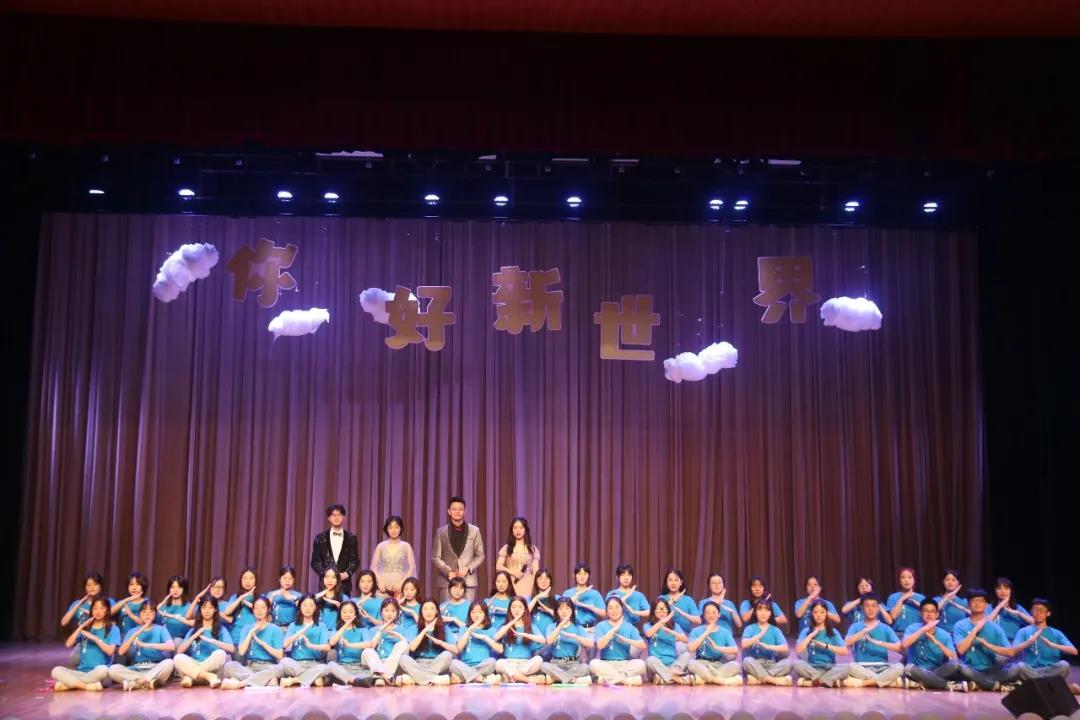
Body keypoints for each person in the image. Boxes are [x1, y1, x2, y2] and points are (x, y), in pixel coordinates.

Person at [953, 587, 1021, 691]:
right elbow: (961, 650)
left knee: (1017, 667)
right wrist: (975, 629)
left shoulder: (995, 627)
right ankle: (994, 685)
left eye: (981, 601)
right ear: (968, 604)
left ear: (986, 605)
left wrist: (988, 645)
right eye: (974, 600)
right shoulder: (960, 625)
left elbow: (1010, 652)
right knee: (959, 667)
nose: (977, 603)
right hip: (970, 669)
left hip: (991, 669)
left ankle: (981, 684)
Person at [51, 596, 119, 691]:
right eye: (95, 608)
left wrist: (95, 638)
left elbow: (110, 651)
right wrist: (80, 627)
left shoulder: (113, 629)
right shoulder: (86, 628)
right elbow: (68, 644)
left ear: (107, 610)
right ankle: (86, 686)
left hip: (100, 673)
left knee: (103, 670)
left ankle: (70, 684)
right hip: (83, 672)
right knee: (56, 670)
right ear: (91, 610)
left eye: (101, 608)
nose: (98, 611)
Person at [220, 596, 287, 689]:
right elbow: (241, 652)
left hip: (269, 666)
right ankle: (265, 681)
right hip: (250, 667)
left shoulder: (275, 629)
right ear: (253, 610)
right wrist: (251, 633)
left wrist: (264, 644)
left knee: (281, 668)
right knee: (229, 666)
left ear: (268, 609)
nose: (259, 610)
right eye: (256, 608)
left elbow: (280, 655)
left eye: (263, 607)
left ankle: (241, 684)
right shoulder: (246, 629)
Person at [108, 601, 175, 690]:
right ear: (139, 614)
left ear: (155, 614)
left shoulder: (161, 629)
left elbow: (171, 647)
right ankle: (146, 681)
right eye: (144, 612)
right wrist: (137, 633)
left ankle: (137, 683)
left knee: (169, 663)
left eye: (151, 612)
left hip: (155, 668)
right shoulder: (132, 631)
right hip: (136, 669)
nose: (147, 614)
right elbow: (121, 652)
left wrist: (146, 645)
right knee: (112, 669)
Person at [901, 598, 965, 691]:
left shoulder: (944, 634)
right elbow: (904, 644)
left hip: (937, 671)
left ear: (937, 614)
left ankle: (922, 683)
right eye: (926, 611)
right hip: (917, 670)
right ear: (920, 613)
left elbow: (954, 657)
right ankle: (948, 685)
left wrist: (937, 643)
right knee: (908, 668)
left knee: (956, 664)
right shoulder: (912, 628)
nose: (929, 614)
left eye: (932, 611)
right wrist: (923, 629)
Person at [842, 592, 905, 688]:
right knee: (850, 666)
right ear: (862, 608)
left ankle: (864, 683)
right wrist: (863, 632)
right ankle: (887, 681)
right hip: (861, 668)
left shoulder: (886, 628)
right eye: (867, 606)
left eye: (874, 606)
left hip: (883, 668)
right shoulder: (855, 626)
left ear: (878, 608)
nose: (870, 609)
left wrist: (879, 643)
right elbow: (846, 643)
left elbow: (899, 647)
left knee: (900, 667)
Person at [432, 496, 486, 601]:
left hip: (468, 581)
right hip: (447, 581)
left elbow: (480, 555)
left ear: (465, 511)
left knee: (468, 610)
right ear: (449, 511)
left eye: (460, 509)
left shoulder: (474, 531)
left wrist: (467, 568)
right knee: (447, 610)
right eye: (454, 509)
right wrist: (449, 572)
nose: (457, 512)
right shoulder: (441, 532)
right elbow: (435, 557)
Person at [174, 596, 235, 688]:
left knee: (220, 653)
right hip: (195, 664)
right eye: (204, 607)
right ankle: (208, 677)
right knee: (178, 658)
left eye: (210, 608)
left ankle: (191, 678)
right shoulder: (194, 630)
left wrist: (213, 641)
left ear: (215, 610)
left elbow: (231, 649)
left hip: (210, 668)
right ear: (200, 610)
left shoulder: (221, 629)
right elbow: (180, 651)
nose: (207, 611)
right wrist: (194, 636)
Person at [1012, 597, 1077, 680]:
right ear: (1031, 611)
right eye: (1035, 609)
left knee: (1064, 665)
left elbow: (1074, 651)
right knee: (1020, 666)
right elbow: (1013, 650)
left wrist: (1053, 645)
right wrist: (1029, 642)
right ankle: (1047, 683)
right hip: (1031, 670)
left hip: (1050, 670)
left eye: (1042, 610)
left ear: (1048, 613)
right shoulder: (1023, 631)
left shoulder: (1056, 633)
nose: (1038, 613)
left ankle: (1039, 682)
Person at [589, 595, 647, 686]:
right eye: (610, 608)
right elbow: (600, 646)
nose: (614, 610)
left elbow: (643, 645)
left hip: (624, 664)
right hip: (606, 663)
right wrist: (613, 630)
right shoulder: (601, 625)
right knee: (593, 663)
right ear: (606, 611)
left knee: (641, 664)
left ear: (622, 609)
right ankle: (625, 681)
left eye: (617, 607)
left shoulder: (629, 626)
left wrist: (627, 640)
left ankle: (608, 679)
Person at [279, 593, 332, 688]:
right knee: (284, 661)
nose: (308, 608)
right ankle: (312, 679)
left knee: (326, 667)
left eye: (311, 605)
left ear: (315, 608)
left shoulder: (321, 626)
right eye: (304, 605)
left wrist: (311, 645)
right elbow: (284, 645)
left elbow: (327, 647)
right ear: (300, 607)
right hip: (296, 664)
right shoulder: (293, 625)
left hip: (314, 663)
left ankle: (294, 680)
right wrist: (301, 631)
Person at [399, 598, 457, 685]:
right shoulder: (414, 628)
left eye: (432, 609)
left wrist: (441, 643)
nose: (428, 612)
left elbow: (455, 650)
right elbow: (412, 648)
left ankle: (417, 679)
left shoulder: (444, 628)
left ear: (436, 611)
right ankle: (434, 679)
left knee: (447, 655)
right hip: (418, 663)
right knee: (403, 658)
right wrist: (424, 630)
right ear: (421, 612)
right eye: (425, 609)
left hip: (437, 663)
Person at [793, 599, 850, 687]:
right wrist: (810, 635)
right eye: (815, 612)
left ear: (826, 613)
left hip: (830, 668)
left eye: (822, 612)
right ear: (812, 614)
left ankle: (815, 682)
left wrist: (825, 646)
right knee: (797, 664)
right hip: (813, 668)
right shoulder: (806, 631)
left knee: (846, 668)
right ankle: (827, 681)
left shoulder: (833, 631)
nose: (819, 615)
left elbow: (844, 651)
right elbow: (798, 650)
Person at [686, 600, 742, 685]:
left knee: (736, 665)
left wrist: (717, 647)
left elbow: (735, 650)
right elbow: (691, 648)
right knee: (691, 664)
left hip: (719, 664)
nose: (711, 615)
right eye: (708, 613)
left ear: (719, 614)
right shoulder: (696, 631)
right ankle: (719, 680)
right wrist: (706, 632)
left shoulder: (725, 631)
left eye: (714, 612)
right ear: (704, 615)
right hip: (702, 663)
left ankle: (705, 678)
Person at [541, 597, 594, 685]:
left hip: (574, 664)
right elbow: (549, 641)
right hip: (556, 664)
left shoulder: (577, 626)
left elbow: (590, 644)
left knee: (586, 668)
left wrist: (576, 637)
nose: (564, 611)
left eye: (567, 608)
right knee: (544, 666)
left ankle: (557, 678)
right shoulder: (551, 627)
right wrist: (561, 624)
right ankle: (573, 680)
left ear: (572, 611)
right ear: (556, 611)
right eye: (561, 609)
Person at [359, 598, 413, 685]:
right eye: (386, 610)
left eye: (393, 611)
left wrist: (400, 637)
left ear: (397, 613)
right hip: (376, 663)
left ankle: (381, 676)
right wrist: (380, 630)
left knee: (403, 643)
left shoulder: (403, 630)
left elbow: (410, 648)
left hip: (395, 665)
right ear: (381, 612)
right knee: (367, 651)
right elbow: (371, 647)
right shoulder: (372, 630)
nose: (389, 614)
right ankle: (388, 676)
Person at [323, 600, 376, 687]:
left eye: (351, 612)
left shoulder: (362, 629)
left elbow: (368, 644)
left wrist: (350, 645)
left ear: (355, 613)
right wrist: (345, 625)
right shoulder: (336, 630)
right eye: (344, 612)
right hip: (342, 667)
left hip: (359, 667)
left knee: (367, 674)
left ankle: (349, 680)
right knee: (331, 665)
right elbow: (331, 643)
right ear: (340, 614)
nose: (347, 614)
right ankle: (354, 680)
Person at [310, 503, 361, 595]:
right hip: (325, 584)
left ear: (344, 517)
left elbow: (355, 561)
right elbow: (315, 562)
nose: (336, 518)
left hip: (344, 584)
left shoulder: (351, 538)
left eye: (339, 515)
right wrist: (325, 574)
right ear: (329, 518)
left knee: (345, 604)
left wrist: (347, 574)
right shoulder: (320, 538)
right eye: (333, 515)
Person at [493, 596, 546, 683]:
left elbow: (543, 640)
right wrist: (513, 621)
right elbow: (496, 637)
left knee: (539, 660)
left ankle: (511, 677)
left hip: (526, 663)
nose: (516, 610)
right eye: (513, 607)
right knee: (499, 663)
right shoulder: (505, 626)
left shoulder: (531, 626)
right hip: (509, 662)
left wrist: (524, 634)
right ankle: (527, 679)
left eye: (520, 607)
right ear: (510, 609)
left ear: (525, 609)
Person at [450, 600, 504, 684]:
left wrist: (485, 638)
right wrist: (469, 630)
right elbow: (459, 648)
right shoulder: (463, 629)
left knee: (492, 661)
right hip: (465, 665)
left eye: (480, 612)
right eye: (473, 612)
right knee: (453, 663)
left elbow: (500, 650)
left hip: (483, 666)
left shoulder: (491, 630)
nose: (476, 615)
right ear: (469, 614)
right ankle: (482, 679)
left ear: (485, 614)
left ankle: (465, 678)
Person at [741, 599, 793, 686]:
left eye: (766, 610)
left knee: (788, 663)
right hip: (755, 663)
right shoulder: (750, 628)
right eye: (760, 610)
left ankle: (759, 679)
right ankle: (773, 680)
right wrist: (759, 635)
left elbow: (785, 647)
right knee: (746, 661)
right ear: (755, 612)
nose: (763, 613)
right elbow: (744, 644)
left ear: (770, 613)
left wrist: (768, 646)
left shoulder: (775, 629)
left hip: (771, 664)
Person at [644, 597, 691, 685]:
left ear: (668, 611)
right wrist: (662, 622)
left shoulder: (674, 625)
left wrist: (672, 632)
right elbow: (649, 634)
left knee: (687, 655)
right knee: (650, 660)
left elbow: (686, 639)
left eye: (664, 609)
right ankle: (675, 678)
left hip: (673, 665)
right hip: (656, 666)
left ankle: (664, 678)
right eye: (659, 609)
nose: (662, 612)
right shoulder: (648, 625)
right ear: (653, 611)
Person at [371, 515, 417, 598]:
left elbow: (412, 568)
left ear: (401, 528)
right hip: (383, 587)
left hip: (400, 587)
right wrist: (379, 582)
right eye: (390, 528)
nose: (393, 530)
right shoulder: (381, 546)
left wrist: (402, 583)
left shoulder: (406, 546)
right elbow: (373, 567)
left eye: (396, 527)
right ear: (386, 529)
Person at [495, 517, 541, 598]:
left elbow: (536, 571)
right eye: (515, 528)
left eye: (521, 528)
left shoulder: (532, 549)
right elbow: (498, 566)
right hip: (511, 582)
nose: (518, 531)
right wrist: (513, 573)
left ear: (525, 529)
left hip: (528, 584)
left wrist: (536, 587)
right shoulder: (507, 548)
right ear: (512, 530)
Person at [561, 562, 606, 633]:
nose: (582, 577)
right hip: (571, 629)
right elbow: (561, 610)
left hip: (589, 629)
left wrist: (591, 607)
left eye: (585, 574)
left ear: (589, 576)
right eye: (579, 574)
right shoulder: (567, 593)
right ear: (574, 575)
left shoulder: (595, 594)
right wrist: (579, 593)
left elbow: (604, 614)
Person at [987, 577, 1033, 642]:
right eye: (999, 588)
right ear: (995, 590)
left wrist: (1019, 613)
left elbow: (1034, 622)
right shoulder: (990, 607)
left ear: (1011, 591)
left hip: (1012, 643)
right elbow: (986, 623)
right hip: (994, 642)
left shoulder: (1017, 608)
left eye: (1006, 588)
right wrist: (1000, 606)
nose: (1003, 591)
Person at [886, 567, 925, 635]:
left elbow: (927, 617)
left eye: (909, 577)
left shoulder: (921, 598)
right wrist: (902, 599)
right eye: (903, 577)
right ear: (899, 580)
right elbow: (893, 617)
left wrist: (920, 605)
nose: (906, 580)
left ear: (914, 580)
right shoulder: (893, 597)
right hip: (899, 634)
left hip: (917, 633)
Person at [157, 575, 193, 647]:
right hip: (164, 641)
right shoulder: (163, 607)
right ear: (169, 589)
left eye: (179, 587)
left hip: (181, 642)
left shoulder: (190, 607)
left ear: (184, 589)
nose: (175, 590)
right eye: (173, 587)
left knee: (177, 642)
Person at [934, 569, 970, 634]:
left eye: (953, 580)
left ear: (958, 582)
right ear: (943, 582)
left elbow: (975, 617)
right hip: (941, 635)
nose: (950, 582)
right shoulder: (936, 600)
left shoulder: (964, 602)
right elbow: (934, 610)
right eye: (947, 580)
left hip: (960, 635)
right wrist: (948, 596)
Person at [316, 568, 348, 633]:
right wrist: (316, 597)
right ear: (323, 579)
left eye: (333, 577)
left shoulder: (344, 598)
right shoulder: (317, 597)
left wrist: (340, 606)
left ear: (337, 580)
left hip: (338, 633)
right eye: (327, 577)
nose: (330, 580)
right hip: (320, 633)